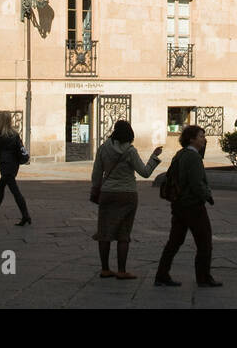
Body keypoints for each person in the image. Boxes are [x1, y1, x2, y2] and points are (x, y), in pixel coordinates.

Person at [91, 120, 162, 280]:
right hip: (127, 194)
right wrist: (154, 157)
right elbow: (144, 172)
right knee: (124, 233)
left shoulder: (103, 148)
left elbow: (96, 174)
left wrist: (96, 190)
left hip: (107, 193)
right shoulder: (130, 151)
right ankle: (122, 270)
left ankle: (105, 269)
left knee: (104, 232)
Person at [155, 125, 219, 288]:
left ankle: (162, 274)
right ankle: (203, 277)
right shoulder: (193, 158)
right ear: (192, 139)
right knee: (204, 242)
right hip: (192, 205)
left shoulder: (180, 154)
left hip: (179, 204)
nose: (204, 139)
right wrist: (207, 196)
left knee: (174, 241)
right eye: (201, 136)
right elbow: (196, 183)